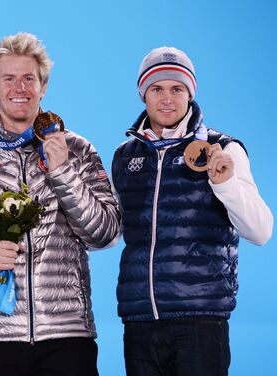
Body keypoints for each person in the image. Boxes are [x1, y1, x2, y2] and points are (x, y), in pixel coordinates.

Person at [0, 32, 120, 376]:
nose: (20, 88)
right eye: (9, 79)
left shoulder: (78, 150)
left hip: (66, 334)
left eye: (29, 78)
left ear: (43, 86)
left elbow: (105, 233)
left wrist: (63, 172)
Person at [111, 46, 273, 376]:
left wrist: (225, 183)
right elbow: (109, 234)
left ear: (190, 93)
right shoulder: (125, 155)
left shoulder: (222, 149)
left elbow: (261, 230)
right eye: (157, 89)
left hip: (199, 320)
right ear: (143, 94)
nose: (167, 98)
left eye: (177, 89)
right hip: (140, 320)